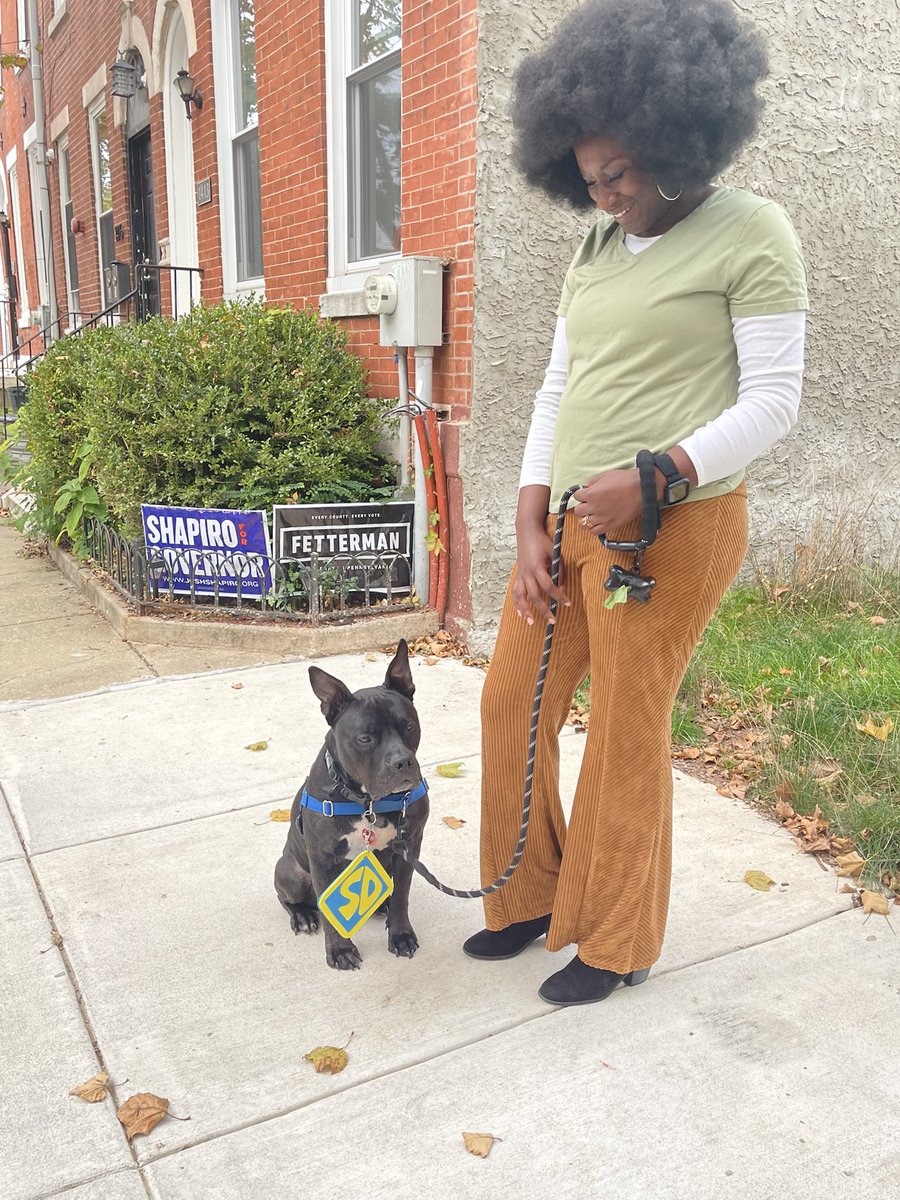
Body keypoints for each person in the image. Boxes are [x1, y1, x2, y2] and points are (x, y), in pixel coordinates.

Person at [462, 0, 808, 1005]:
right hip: (573, 523)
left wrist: (659, 472)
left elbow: (775, 400)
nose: (605, 195)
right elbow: (559, 389)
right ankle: (526, 897)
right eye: (587, 181)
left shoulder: (754, 232)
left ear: (675, 137)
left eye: (618, 172)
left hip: (673, 529)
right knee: (507, 705)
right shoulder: (595, 252)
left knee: (622, 727)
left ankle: (616, 941)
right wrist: (529, 515)